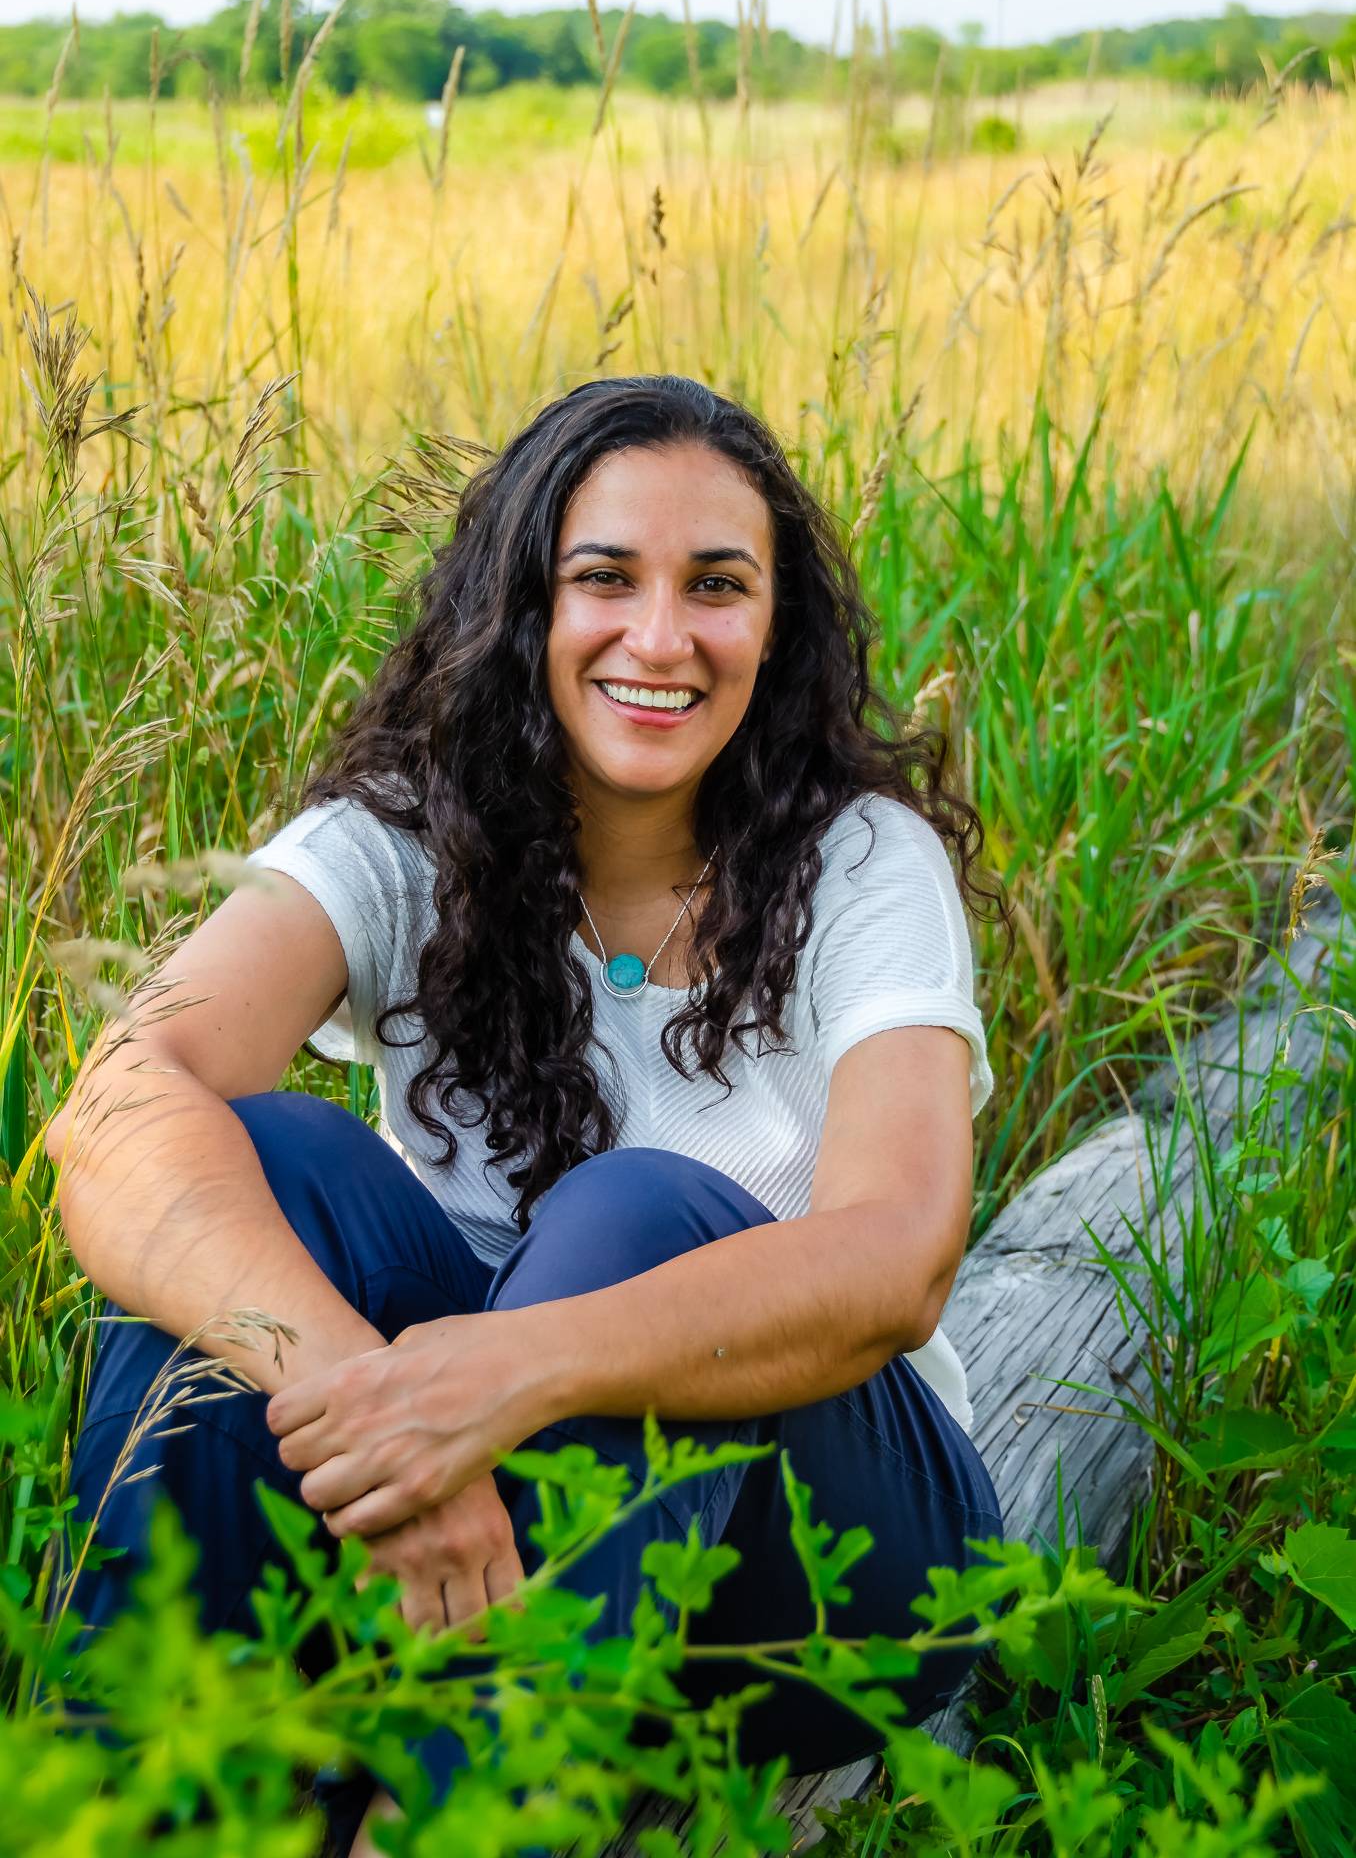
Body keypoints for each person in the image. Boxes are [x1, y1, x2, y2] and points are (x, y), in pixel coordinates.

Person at [45, 374, 1013, 1857]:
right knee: (266, 1164)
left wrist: (510, 1375)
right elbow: (115, 1106)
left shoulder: (862, 864)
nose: (661, 636)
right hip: (455, 1513)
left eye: (718, 587)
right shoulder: (399, 837)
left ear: (779, 626)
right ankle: (162, 1799)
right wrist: (376, 1408)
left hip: (832, 1566)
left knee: (634, 1216)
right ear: (521, 604)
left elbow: (899, 1252)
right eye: (604, 578)